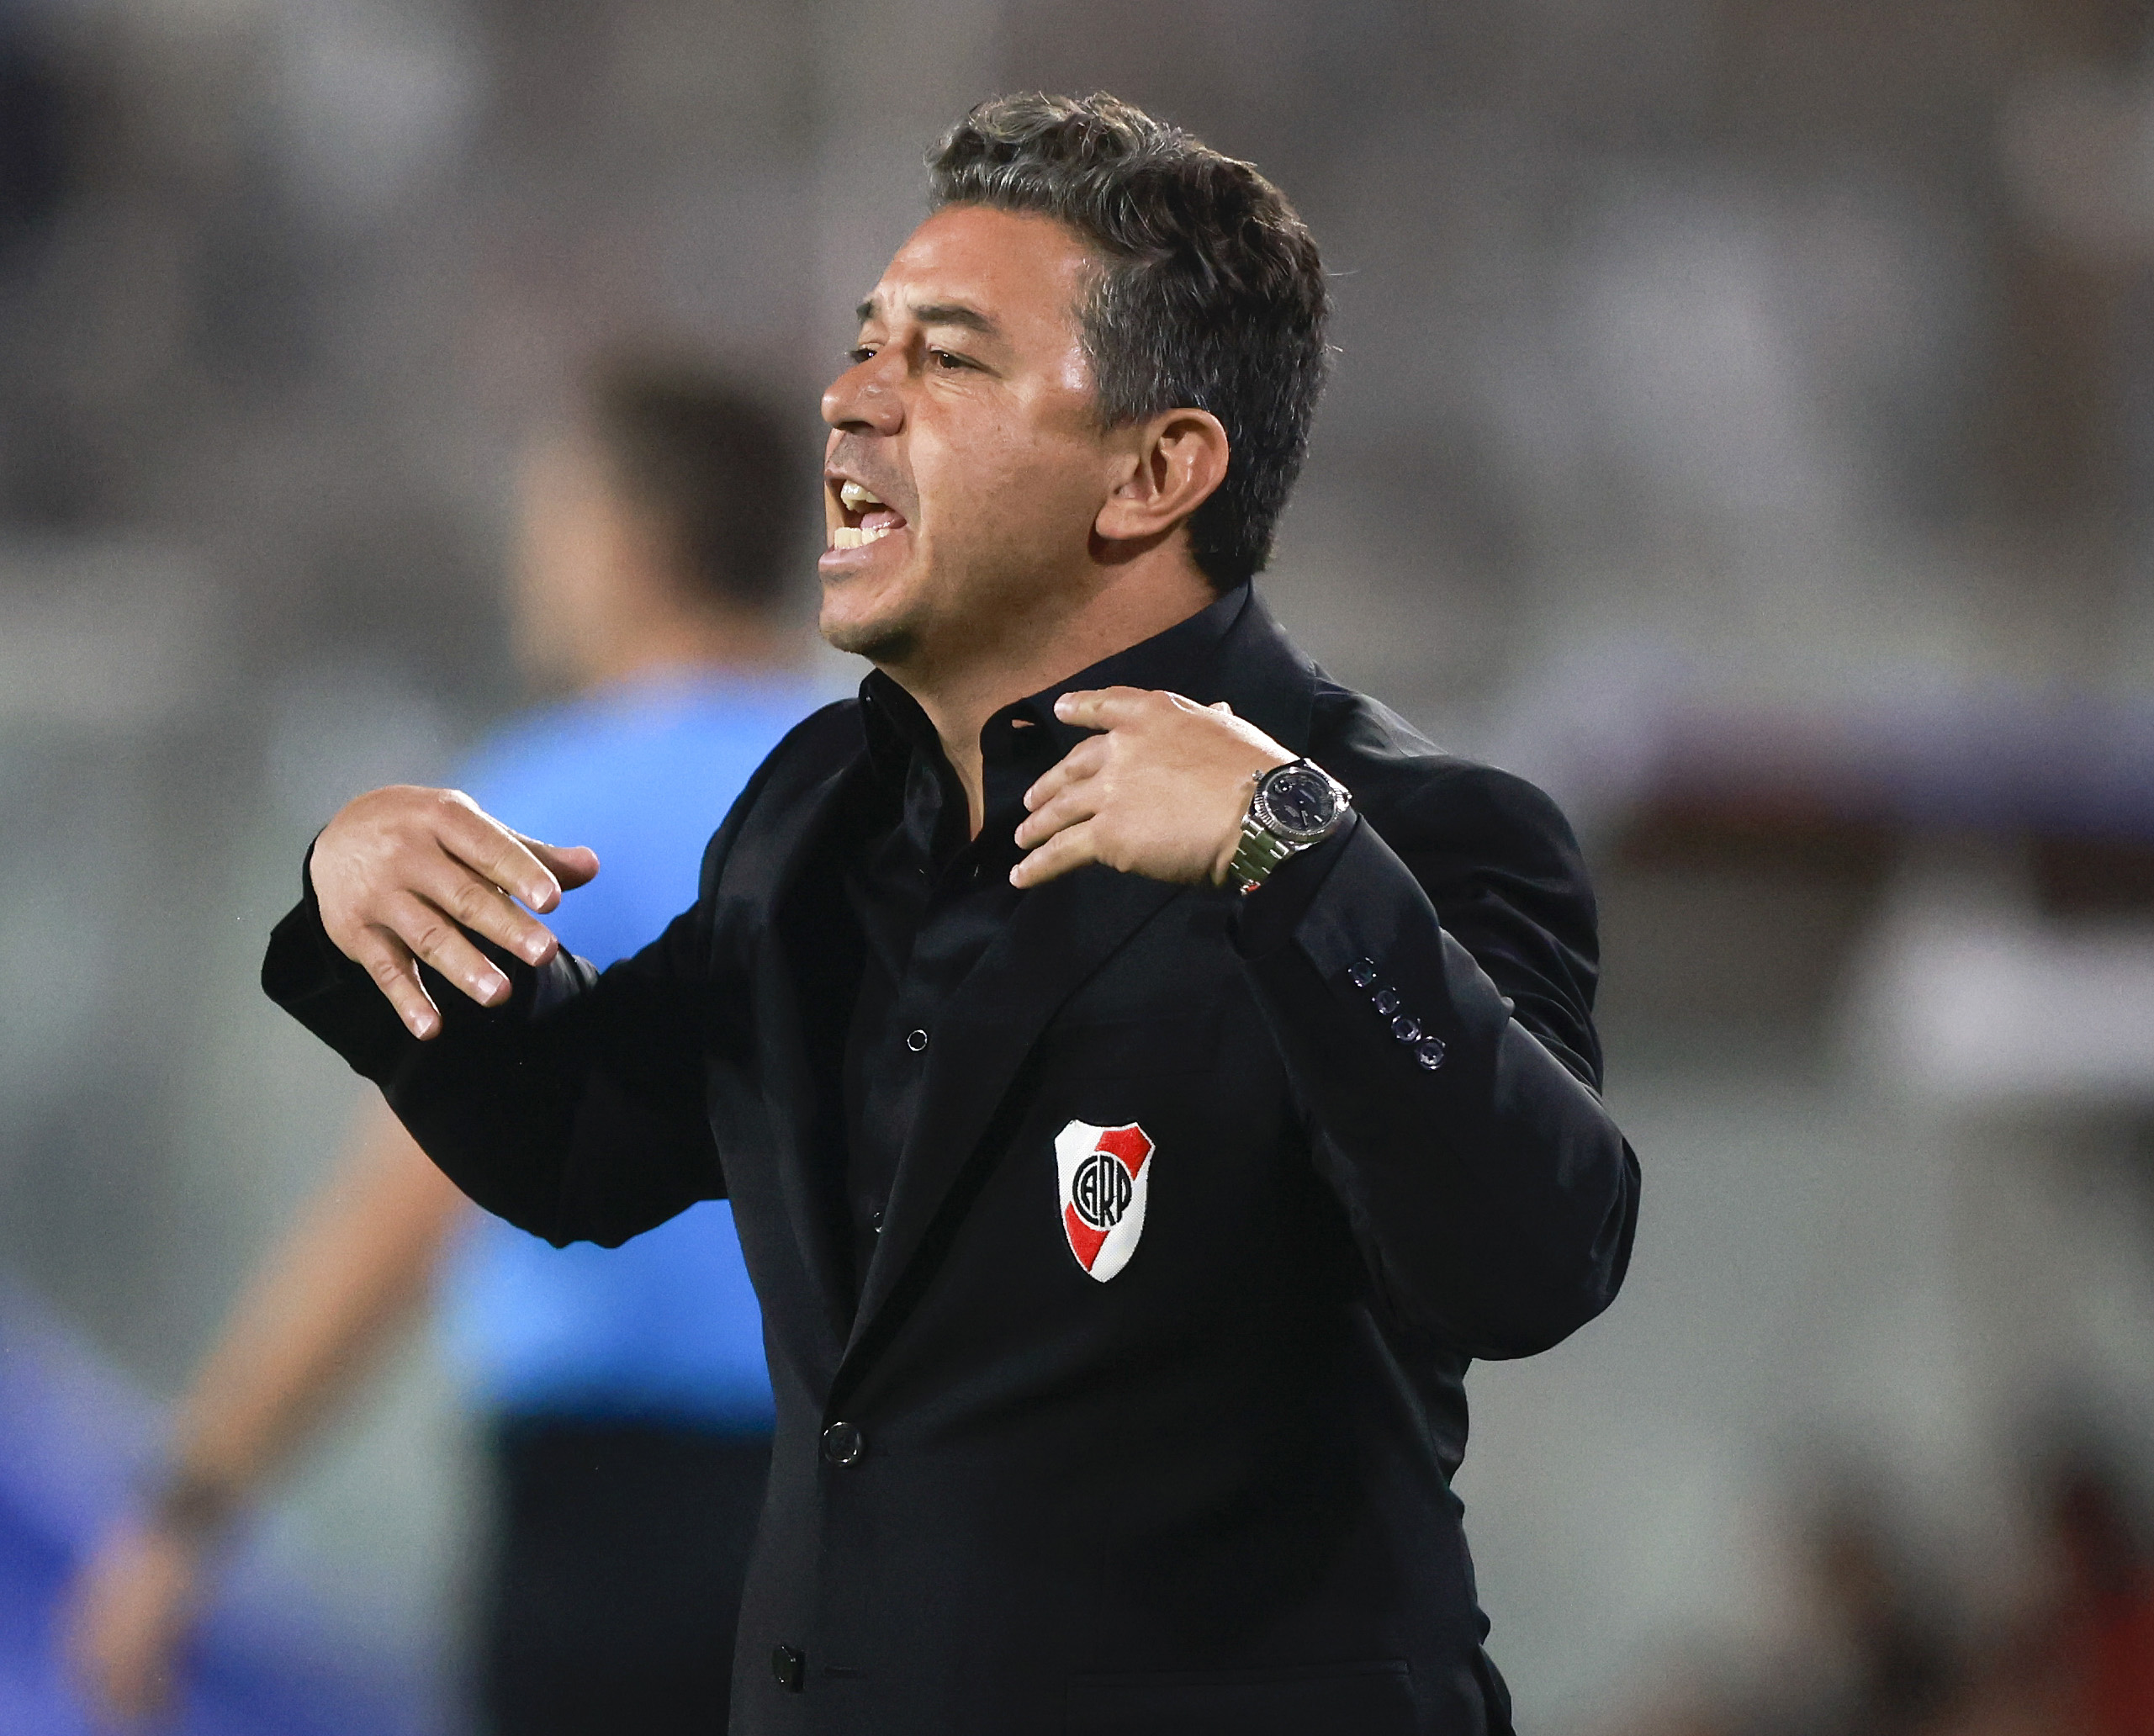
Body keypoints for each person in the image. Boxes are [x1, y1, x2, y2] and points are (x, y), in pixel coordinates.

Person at [266, 93, 1641, 1735]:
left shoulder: (1412, 829)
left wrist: (1292, 859)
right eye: (864, 346)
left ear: (1154, 470)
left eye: (948, 358)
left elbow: (1536, 1256)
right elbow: (583, 1144)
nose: (852, 402)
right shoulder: (817, 822)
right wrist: (372, 914)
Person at [66, 360, 828, 1733]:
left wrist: (194, 1500)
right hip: (859, 1506)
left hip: (608, 1530)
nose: (527, 561)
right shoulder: (879, 801)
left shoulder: (527, 807)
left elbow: (410, 1199)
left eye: (552, 516)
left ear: (628, 534)